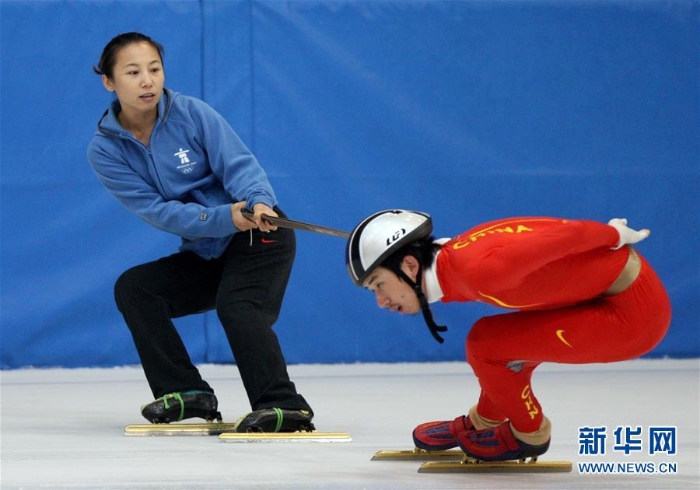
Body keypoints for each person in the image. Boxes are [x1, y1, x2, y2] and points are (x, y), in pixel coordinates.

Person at [87, 32, 313, 432]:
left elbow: (241, 167)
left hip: (260, 232)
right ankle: (188, 393)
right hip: (210, 245)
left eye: (155, 69)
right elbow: (161, 212)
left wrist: (257, 201)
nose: (147, 81)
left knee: (237, 305)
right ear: (109, 81)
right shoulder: (105, 150)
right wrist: (226, 217)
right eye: (134, 72)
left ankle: (284, 405)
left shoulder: (193, 113)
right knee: (136, 289)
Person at [346, 210, 671, 461]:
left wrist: (613, 233)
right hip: (599, 294)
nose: (381, 301)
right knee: (501, 341)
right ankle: (487, 419)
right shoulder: (455, 260)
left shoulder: (479, 271)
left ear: (410, 266)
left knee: (487, 345)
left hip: (633, 316)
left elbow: (566, 235)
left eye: (378, 284)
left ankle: (530, 433)